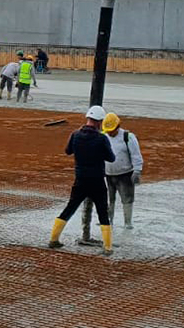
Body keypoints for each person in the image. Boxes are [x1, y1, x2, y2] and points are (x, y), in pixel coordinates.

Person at [48, 106, 116, 255]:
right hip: (97, 180)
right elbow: (111, 158)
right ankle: (108, 247)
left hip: (80, 179)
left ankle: (54, 239)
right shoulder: (102, 138)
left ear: (88, 118)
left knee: (70, 208)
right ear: (99, 122)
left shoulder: (75, 134)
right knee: (103, 212)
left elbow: (68, 151)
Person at [78, 111, 144, 245]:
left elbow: (136, 155)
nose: (110, 133)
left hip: (125, 174)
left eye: (112, 130)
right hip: (108, 174)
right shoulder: (103, 136)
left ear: (118, 126)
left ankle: (127, 222)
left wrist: (137, 171)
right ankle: (109, 220)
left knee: (127, 198)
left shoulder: (128, 137)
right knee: (109, 199)